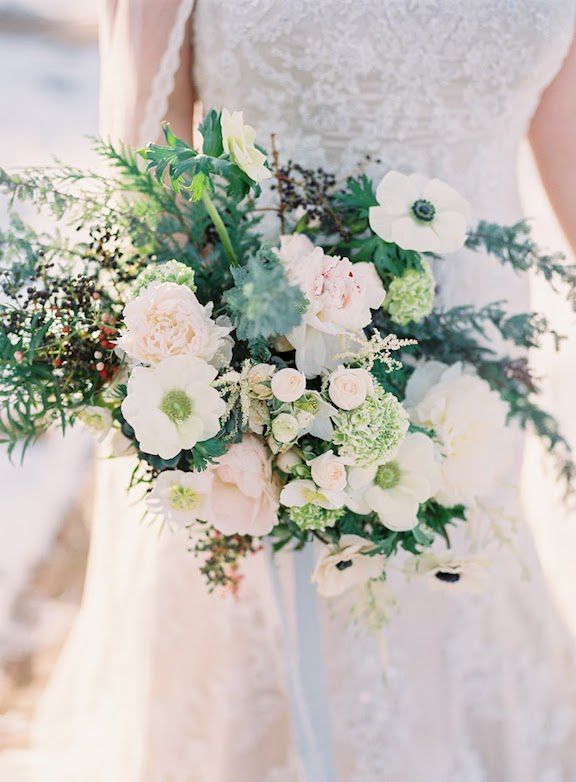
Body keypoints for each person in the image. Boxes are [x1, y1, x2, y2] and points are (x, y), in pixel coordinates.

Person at [22, 2, 576, 780]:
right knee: (259, 653)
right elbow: (151, 148)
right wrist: (204, 372)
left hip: (471, 376)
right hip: (260, 358)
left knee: (445, 628)